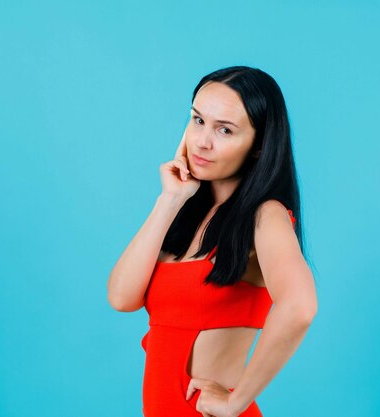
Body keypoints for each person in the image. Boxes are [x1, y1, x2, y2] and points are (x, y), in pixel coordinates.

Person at [107, 65, 318, 417]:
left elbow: (300, 306)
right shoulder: (186, 213)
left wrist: (236, 402)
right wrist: (170, 200)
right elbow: (121, 297)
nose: (202, 141)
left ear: (257, 145)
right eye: (197, 120)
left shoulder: (265, 216)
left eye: (225, 130)